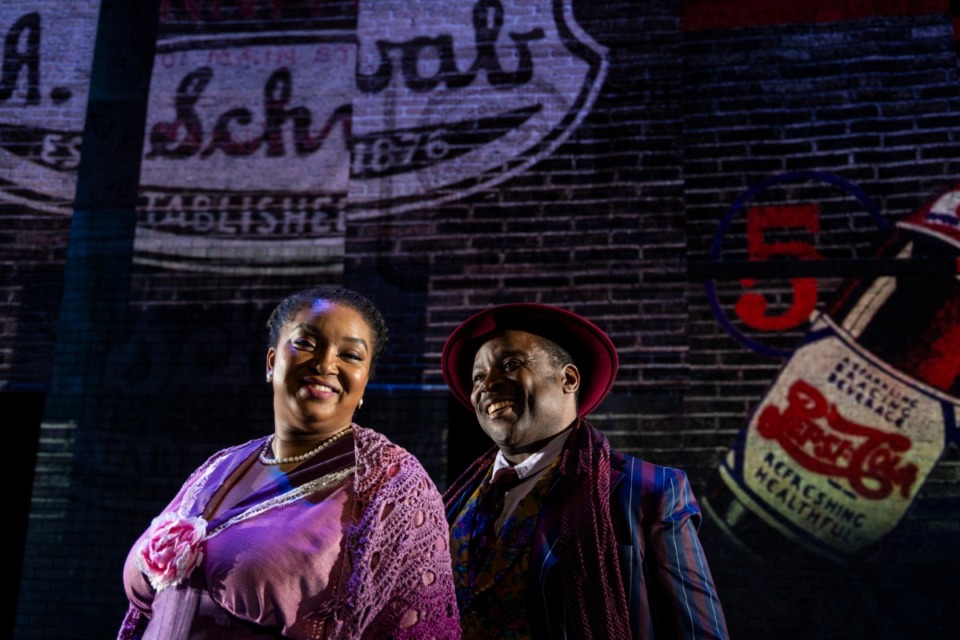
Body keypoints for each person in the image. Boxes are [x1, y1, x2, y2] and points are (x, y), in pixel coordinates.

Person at [119, 286, 461, 639]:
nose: (326, 364)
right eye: (307, 343)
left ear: (364, 385)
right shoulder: (218, 467)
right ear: (271, 363)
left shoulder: (390, 485)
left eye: (351, 355)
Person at [441, 303, 728, 640]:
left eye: (510, 364)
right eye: (478, 376)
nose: (486, 385)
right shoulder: (452, 503)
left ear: (568, 379)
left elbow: (699, 633)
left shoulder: (649, 491)